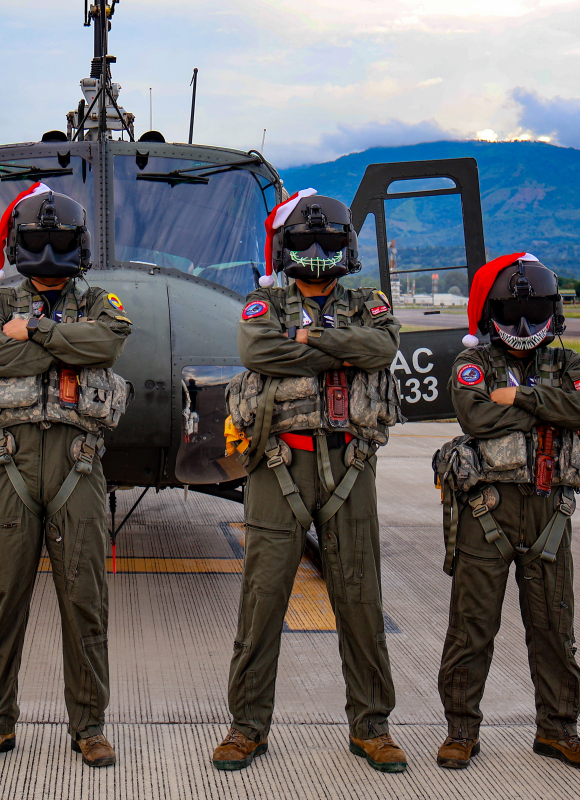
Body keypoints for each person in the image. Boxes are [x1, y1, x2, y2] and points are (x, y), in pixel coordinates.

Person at [214, 190, 407, 773]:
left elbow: (383, 347)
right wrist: (339, 352)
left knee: (360, 596)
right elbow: (257, 350)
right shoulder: (263, 301)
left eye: (327, 242)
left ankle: (371, 726)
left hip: (350, 464)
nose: (317, 251)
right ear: (284, 246)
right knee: (263, 596)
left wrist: (307, 340)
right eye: (304, 241)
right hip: (279, 462)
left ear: (345, 246)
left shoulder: (366, 301)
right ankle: (247, 727)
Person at [0, 183, 132, 768]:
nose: (49, 251)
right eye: (39, 239)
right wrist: (67, 349)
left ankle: (89, 726)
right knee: (2, 599)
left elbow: (105, 346)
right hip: (10, 463)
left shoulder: (100, 304)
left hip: (77, 464)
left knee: (85, 599)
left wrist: (32, 333)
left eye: (59, 240)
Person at [432, 253, 580, 771]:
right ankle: (461, 731)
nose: (524, 328)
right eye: (511, 316)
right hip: (488, 513)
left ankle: (558, 730)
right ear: (490, 316)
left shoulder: (569, 363)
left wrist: (520, 395)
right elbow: (476, 415)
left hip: (550, 511)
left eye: (534, 316)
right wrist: (544, 404)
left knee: (555, 627)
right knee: (472, 625)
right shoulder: (474, 365)